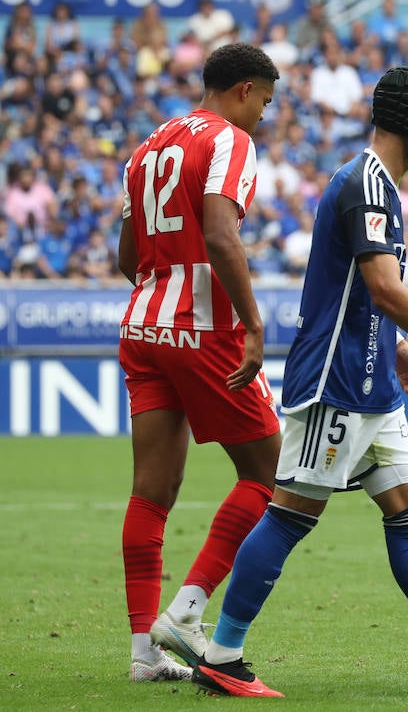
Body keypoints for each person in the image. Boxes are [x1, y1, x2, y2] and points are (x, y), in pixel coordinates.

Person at [191, 65, 408, 698]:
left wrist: (401, 348)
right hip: (336, 381)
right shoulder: (365, 187)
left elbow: (369, 297)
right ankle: (222, 653)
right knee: (291, 513)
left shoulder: (377, 184)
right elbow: (383, 286)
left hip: (372, 382)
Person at [117, 43, 283, 683]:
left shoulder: (150, 144)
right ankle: (186, 612)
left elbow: (126, 256)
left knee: (151, 492)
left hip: (143, 323)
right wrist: (252, 321)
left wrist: (165, 281)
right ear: (243, 89)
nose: (263, 116)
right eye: (264, 101)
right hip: (202, 327)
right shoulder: (229, 141)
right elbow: (220, 232)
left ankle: (141, 654)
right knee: (270, 472)